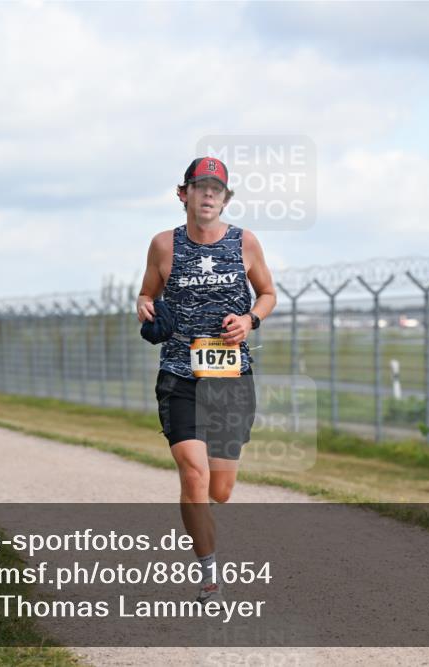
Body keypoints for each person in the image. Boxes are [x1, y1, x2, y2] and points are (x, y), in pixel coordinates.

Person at [136, 157, 277, 604]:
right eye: (201, 187)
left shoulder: (244, 242)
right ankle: (210, 575)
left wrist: (251, 320)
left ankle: (204, 520)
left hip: (231, 379)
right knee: (194, 474)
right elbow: (147, 292)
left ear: (225, 198)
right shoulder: (164, 245)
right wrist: (143, 305)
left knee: (221, 490)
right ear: (184, 194)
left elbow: (268, 293)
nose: (209, 194)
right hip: (180, 375)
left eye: (217, 188)